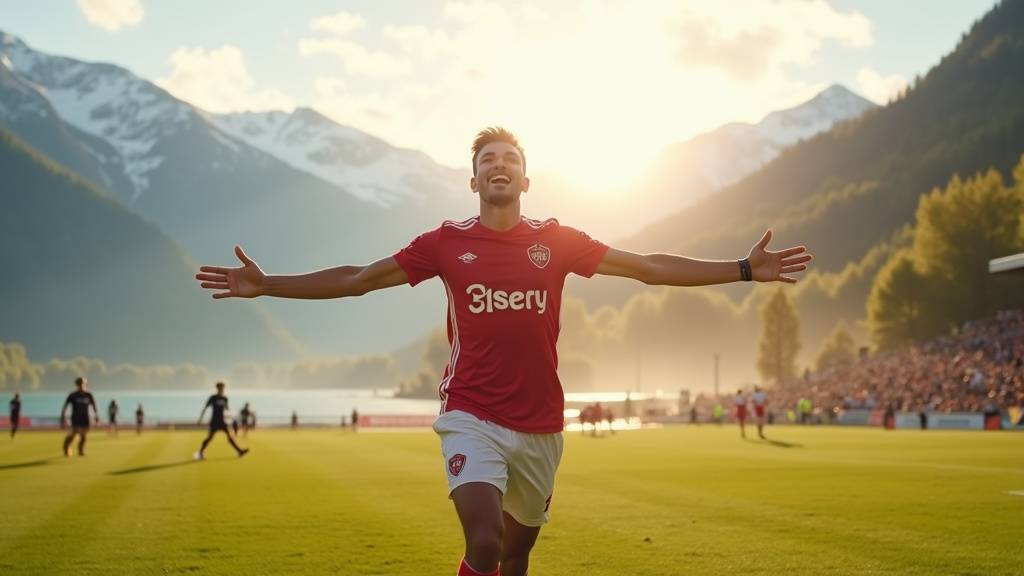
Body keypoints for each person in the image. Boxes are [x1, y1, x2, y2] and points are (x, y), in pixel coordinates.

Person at [194, 126, 812, 576]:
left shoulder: (558, 240)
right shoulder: (443, 243)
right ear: (473, 180)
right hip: (471, 415)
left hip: (542, 425)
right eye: (488, 158)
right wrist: (268, 283)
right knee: (485, 545)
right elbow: (357, 278)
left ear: (524, 179)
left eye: (510, 158)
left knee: (516, 556)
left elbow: (647, 266)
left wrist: (741, 270)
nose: (499, 165)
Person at [195, 382, 248, 460]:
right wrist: (200, 419)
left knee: (230, 437)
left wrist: (232, 417)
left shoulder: (225, 398)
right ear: (217, 388)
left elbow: (227, 409)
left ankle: (239, 451)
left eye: (223, 387)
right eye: (221, 387)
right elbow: (205, 408)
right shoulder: (213, 398)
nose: (222, 389)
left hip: (223, 421)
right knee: (209, 438)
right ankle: (200, 453)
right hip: (214, 421)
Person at [60, 377, 98, 457]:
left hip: (85, 418)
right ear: (77, 385)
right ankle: (66, 447)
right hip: (75, 418)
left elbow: (94, 405)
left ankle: (81, 450)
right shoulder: (73, 395)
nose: (81, 385)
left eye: (82, 383)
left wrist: (96, 415)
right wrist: (63, 415)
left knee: (83, 435)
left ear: (85, 384)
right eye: (79, 384)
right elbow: (65, 406)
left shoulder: (88, 395)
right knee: (73, 434)